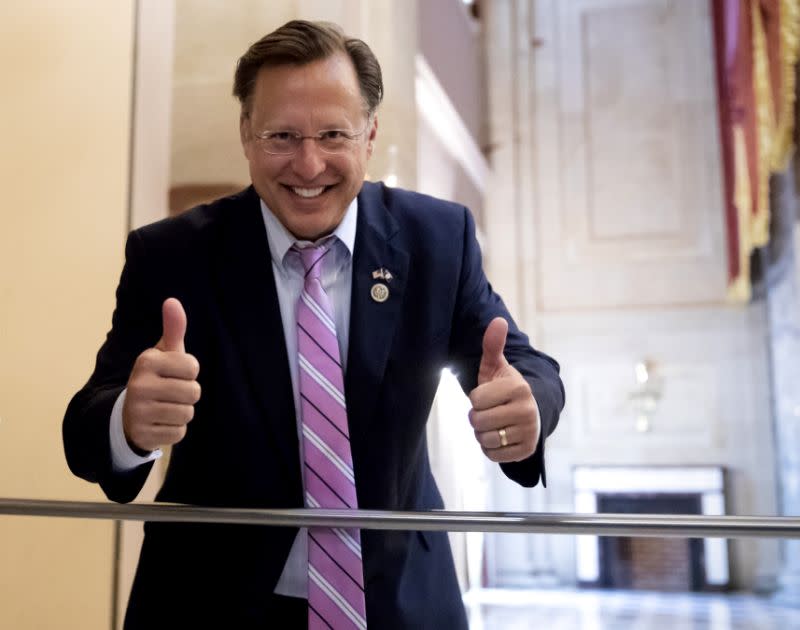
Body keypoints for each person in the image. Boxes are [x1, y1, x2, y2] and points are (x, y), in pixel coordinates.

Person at [63, 19, 564, 630]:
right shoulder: (170, 256)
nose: (308, 164)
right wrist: (129, 423)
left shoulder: (439, 240)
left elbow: (525, 366)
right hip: (209, 602)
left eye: (334, 134)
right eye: (281, 136)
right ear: (246, 134)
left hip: (400, 602)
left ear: (370, 135)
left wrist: (526, 407)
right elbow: (87, 430)